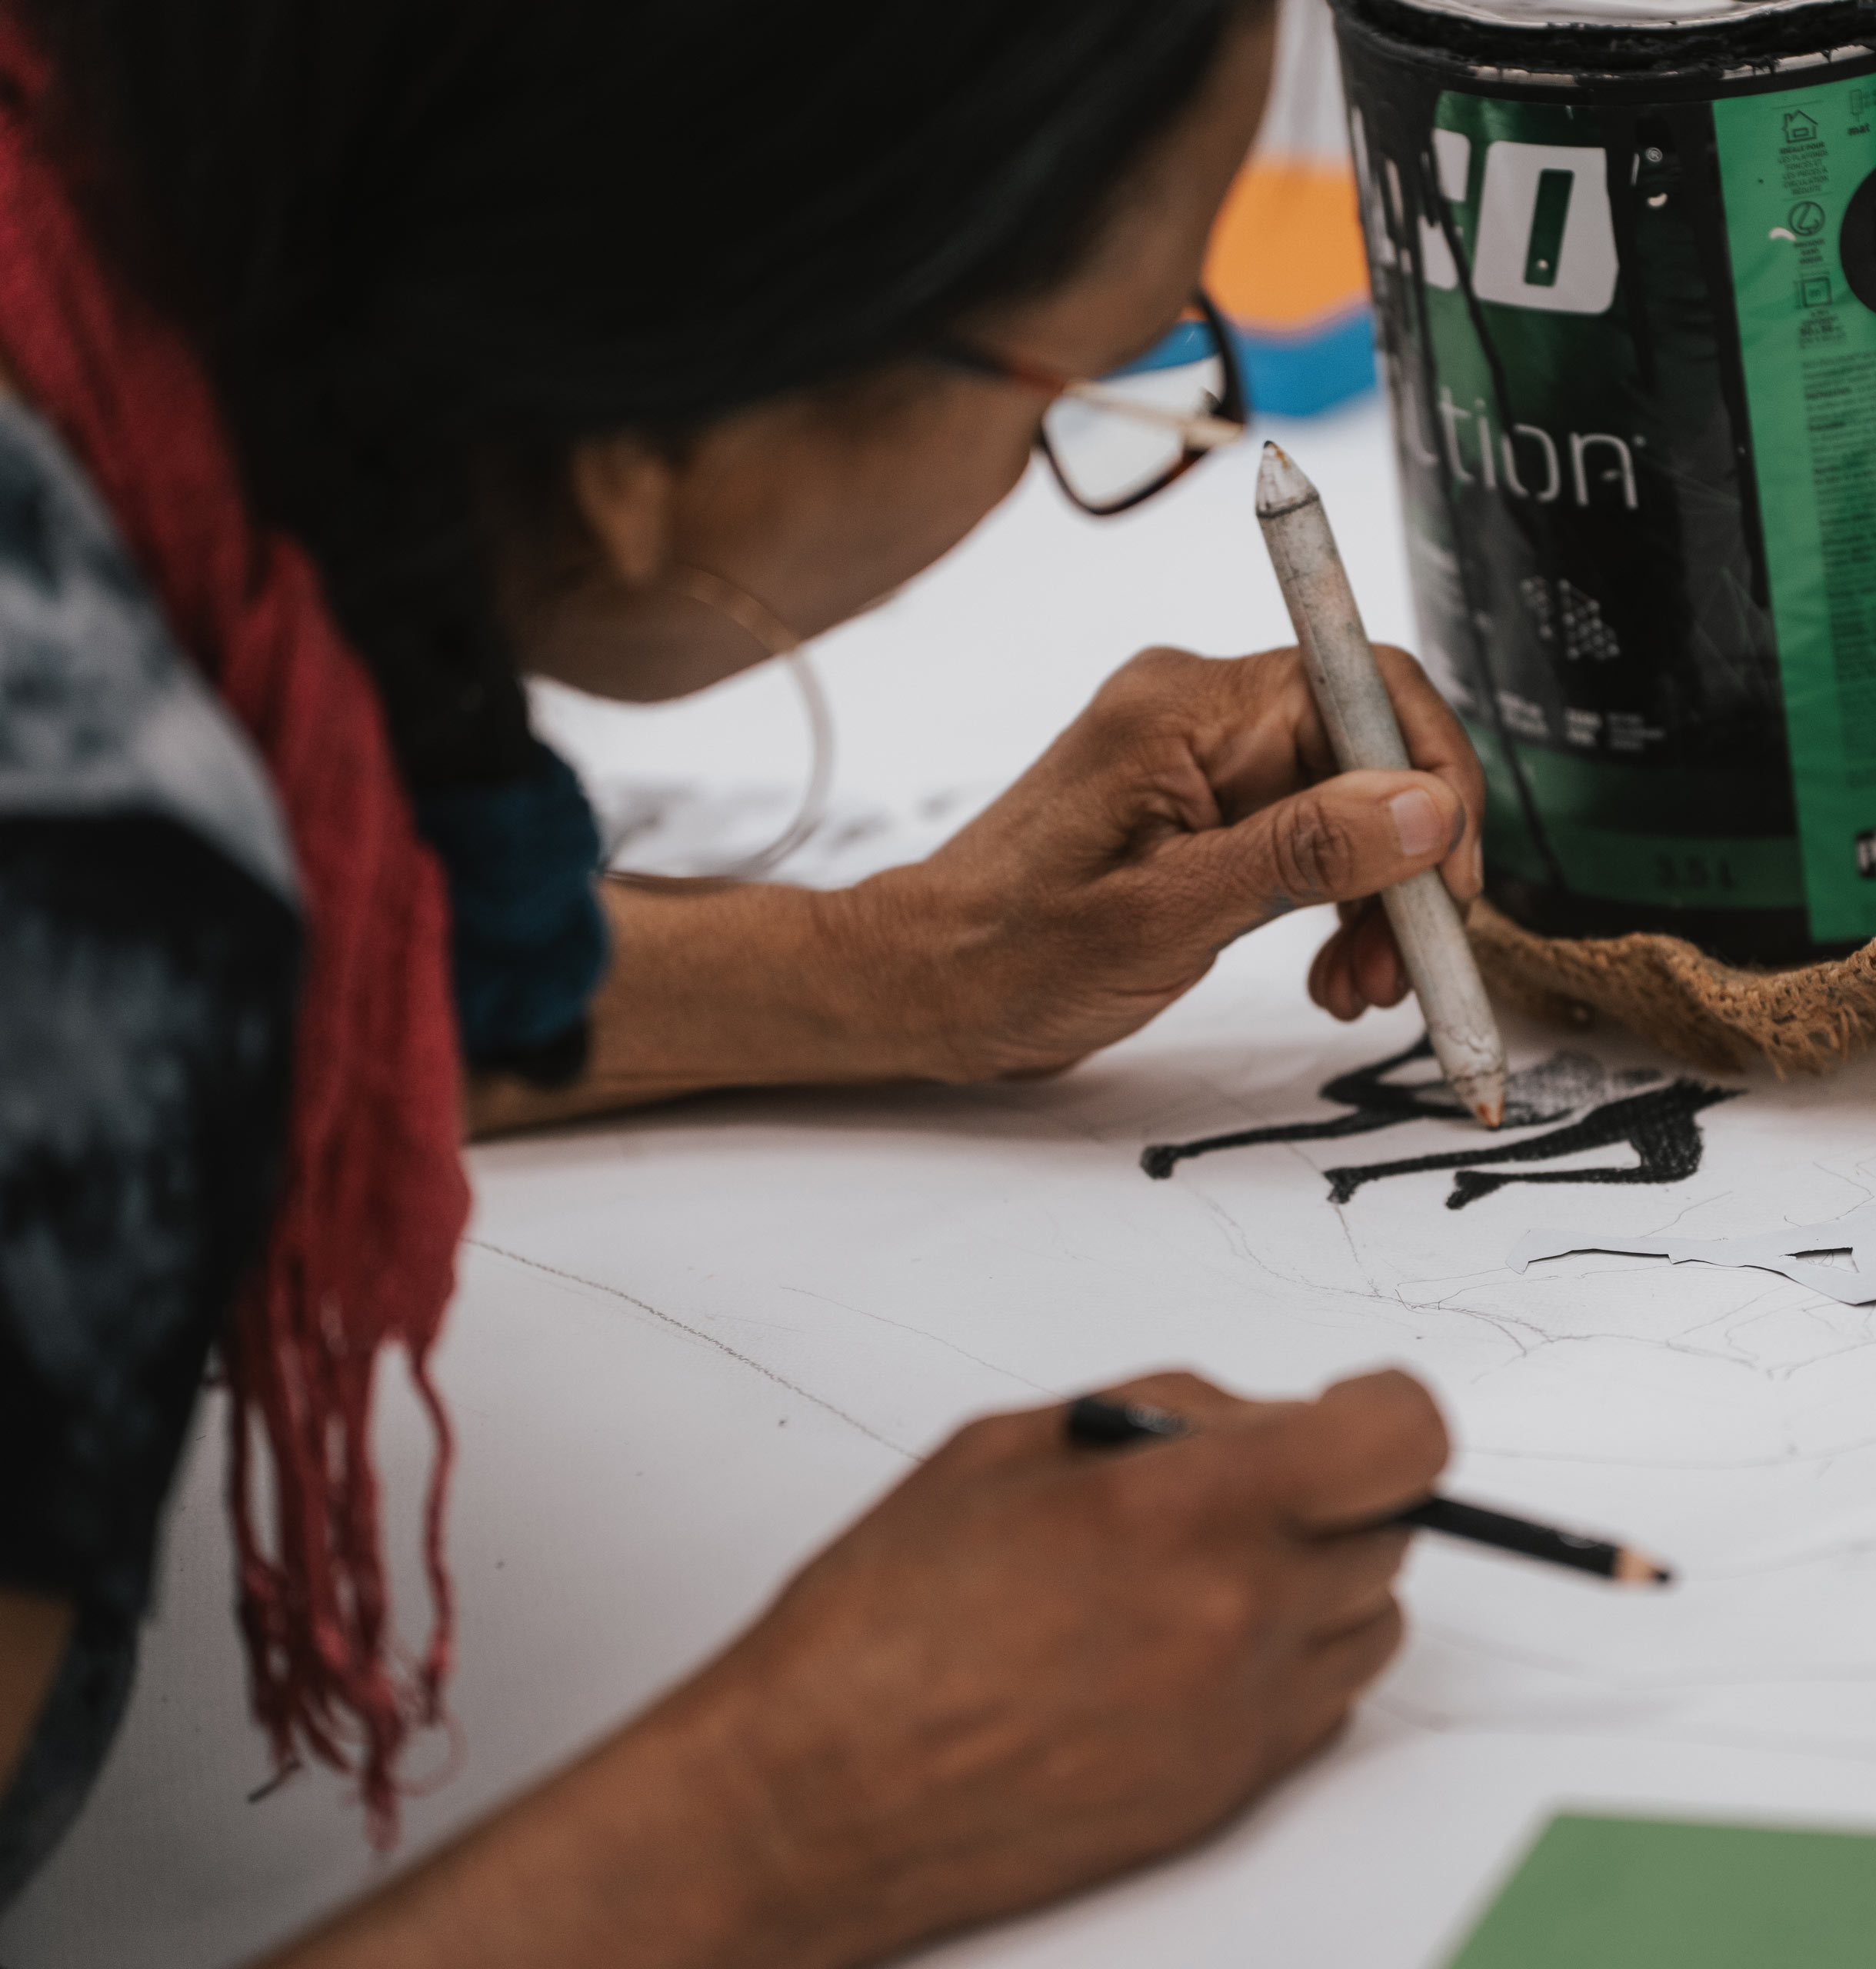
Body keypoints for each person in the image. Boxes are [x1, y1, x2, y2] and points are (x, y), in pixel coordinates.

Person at [0, 0, 1484, 1957]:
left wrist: (896, 965)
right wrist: (800, 1803)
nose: (1120, 422)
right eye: (1092, 376)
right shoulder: (85, 914)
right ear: (649, 441)